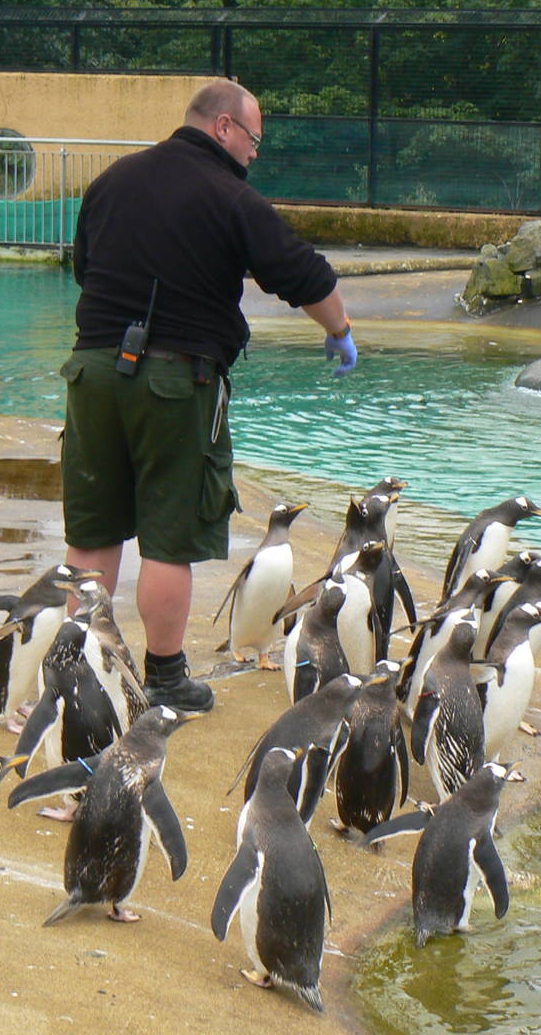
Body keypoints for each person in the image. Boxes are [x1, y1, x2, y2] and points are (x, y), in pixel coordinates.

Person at [60, 78, 357, 712]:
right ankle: (165, 676)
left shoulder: (112, 179)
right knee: (169, 536)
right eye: (254, 140)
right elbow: (303, 273)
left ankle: (80, 664)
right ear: (223, 127)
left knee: (94, 529)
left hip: (91, 371)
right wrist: (339, 328)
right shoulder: (229, 195)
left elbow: (85, 267)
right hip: (173, 381)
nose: (255, 153)